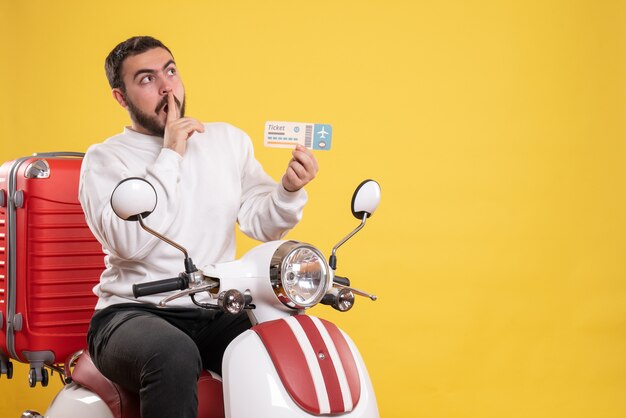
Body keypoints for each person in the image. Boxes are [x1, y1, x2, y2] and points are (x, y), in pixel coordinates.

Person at [78, 36, 318, 418]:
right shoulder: (105, 159)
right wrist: (171, 153)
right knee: (171, 353)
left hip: (216, 307)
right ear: (121, 98)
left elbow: (262, 223)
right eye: (146, 79)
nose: (166, 86)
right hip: (132, 312)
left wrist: (288, 190)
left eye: (170, 71)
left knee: (287, 342)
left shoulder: (226, 141)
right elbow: (129, 243)